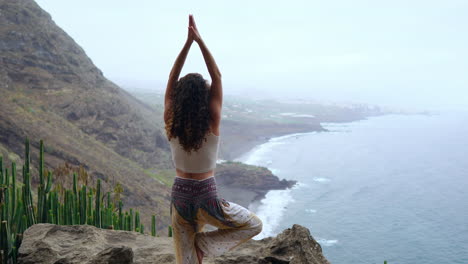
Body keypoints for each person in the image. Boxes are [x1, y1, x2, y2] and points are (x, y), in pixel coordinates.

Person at [164, 15, 263, 264]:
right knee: (254, 225)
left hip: (180, 198)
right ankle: (205, 244)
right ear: (204, 97)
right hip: (206, 197)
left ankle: (196, 248)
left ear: (178, 97)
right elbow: (217, 76)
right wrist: (199, 41)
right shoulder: (211, 122)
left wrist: (186, 45)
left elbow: (170, 79)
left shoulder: (171, 122)